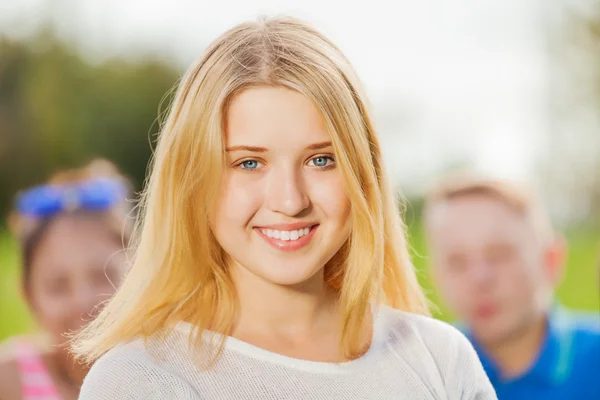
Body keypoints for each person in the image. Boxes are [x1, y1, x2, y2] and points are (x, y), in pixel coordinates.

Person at [72, 17, 496, 400]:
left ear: (363, 172)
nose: (290, 201)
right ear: (190, 180)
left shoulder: (439, 359)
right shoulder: (140, 382)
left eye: (321, 160)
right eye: (248, 163)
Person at [423, 175, 600, 399]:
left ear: (550, 260)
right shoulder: (425, 374)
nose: (479, 278)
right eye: (457, 262)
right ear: (435, 275)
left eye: (499, 255)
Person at [0, 159, 133, 400]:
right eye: (58, 286)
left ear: (137, 273)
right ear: (29, 296)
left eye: (103, 275)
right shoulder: (8, 380)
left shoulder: (172, 369)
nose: (83, 301)